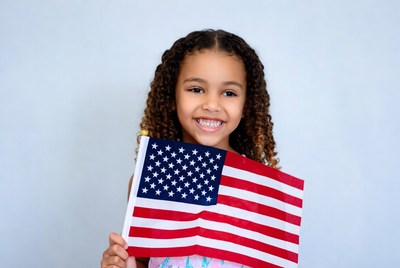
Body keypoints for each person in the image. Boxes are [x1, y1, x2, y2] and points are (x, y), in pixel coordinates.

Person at [101, 29, 280, 268]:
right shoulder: (148, 181)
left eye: (229, 93)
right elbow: (143, 260)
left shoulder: (259, 189)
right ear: (171, 97)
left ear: (246, 105)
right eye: (196, 89)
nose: (212, 105)